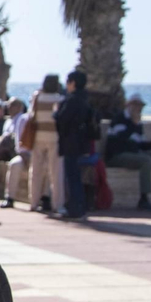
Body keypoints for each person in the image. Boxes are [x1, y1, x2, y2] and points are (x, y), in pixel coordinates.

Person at [105, 94, 151, 210]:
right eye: (136, 105)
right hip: (117, 155)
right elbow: (119, 140)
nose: (139, 109)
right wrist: (133, 125)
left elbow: (140, 144)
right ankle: (144, 198)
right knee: (146, 160)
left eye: (140, 106)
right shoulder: (120, 119)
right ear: (129, 105)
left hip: (134, 153)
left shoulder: (138, 123)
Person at [54, 69, 95, 219]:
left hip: (71, 144)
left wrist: (56, 113)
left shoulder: (72, 100)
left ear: (73, 83)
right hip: (82, 143)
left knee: (73, 177)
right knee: (77, 177)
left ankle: (75, 209)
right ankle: (80, 207)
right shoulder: (86, 100)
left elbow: (62, 119)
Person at [26, 74, 65, 213]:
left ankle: (33, 202)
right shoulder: (59, 99)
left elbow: (31, 115)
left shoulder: (38, 98)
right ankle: (58, 204)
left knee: (35, 171)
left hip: (38, 137)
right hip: (54, 138)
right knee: (56, 173)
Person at [0, 98, 34, 208]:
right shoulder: (23, 119)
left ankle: (45, 199)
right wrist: (24, 155)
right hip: (25, 155)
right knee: (14, 164)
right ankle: (9, 197)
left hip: (39, 156)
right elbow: (20, 143)